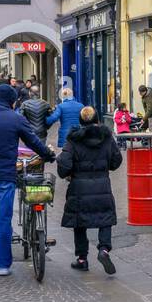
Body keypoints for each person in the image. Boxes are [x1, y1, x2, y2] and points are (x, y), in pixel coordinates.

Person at [0, 84, 56, 275]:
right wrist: (48, 155)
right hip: (4, 176)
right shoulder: (16, 118)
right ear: (13, 101)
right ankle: (3, 265)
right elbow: (33, 141)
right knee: (2, 218)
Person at [57, 106, 122, 274]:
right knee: (105, 218)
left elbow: (64, 165)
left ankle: (82, 258)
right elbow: (116, 161)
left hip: (79, 187)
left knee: (79, 222)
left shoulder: (73, 140)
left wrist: (66, 171)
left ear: (80, 122)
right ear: (97, 120)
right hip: (102, 185)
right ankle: (104, 249)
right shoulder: (107, 138)